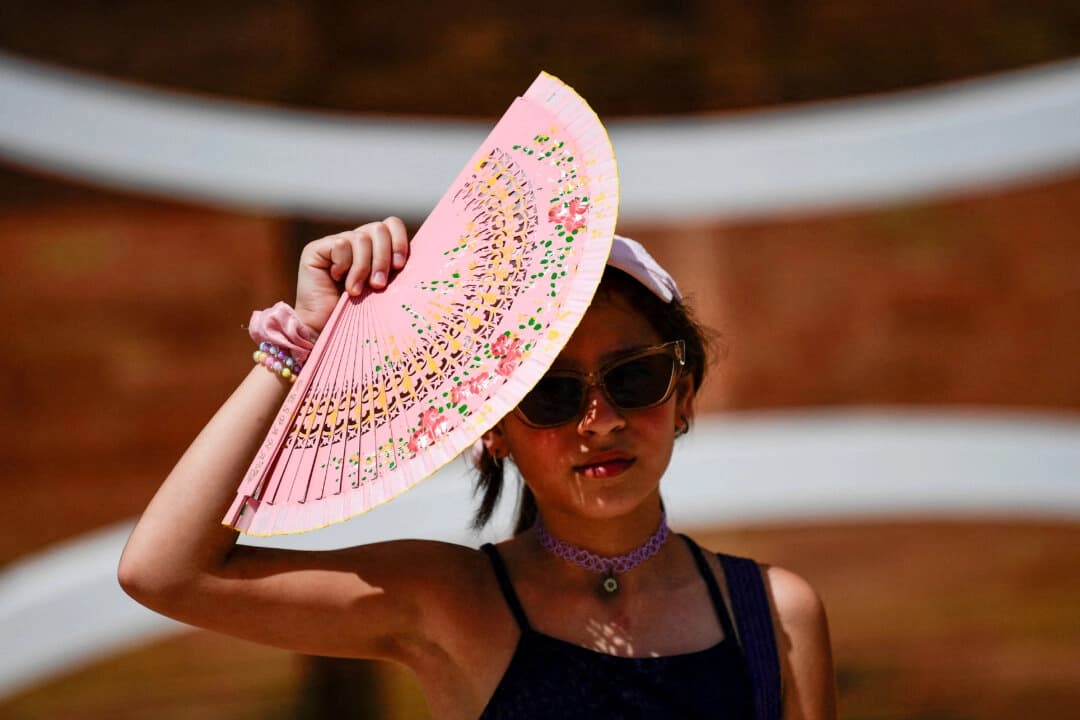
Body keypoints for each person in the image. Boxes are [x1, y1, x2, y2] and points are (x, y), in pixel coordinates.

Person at [119, 217, 837, 719]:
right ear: (491, 432)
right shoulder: (450, 602)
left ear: (681, 395)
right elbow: (165, 572)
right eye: (552, 394)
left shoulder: (778, 613)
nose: (603, 420)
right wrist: (302, 344)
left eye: (635, 378)